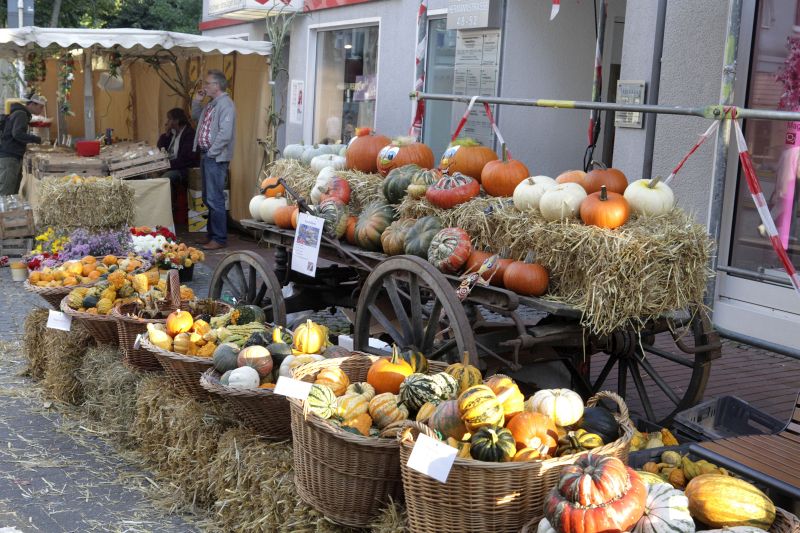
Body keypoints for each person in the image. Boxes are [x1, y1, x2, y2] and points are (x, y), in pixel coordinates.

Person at [192, 69, 236, 250]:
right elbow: (196, 117)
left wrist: (212, 152)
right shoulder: (212, 104)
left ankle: (219, 238)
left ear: (217, 85)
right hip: (207, 155)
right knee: (208, 197)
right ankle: (212, 235)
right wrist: (197, 100)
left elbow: (225, 134)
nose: (204, 86)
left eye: (207, 83)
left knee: (215, 198)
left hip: (215, 158)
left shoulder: (226, 105)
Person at [157, 108, 198, 222]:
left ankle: (167, 211)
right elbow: (160, 148)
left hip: (184, 168)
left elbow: (185, 159)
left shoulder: (189, 134)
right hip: (172, 165)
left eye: (169, 119)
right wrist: (166, 134)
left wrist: (166, 166)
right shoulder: (173, 134)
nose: (167, 122)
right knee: (152, 176)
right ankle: (158, 209)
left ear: (177, 120)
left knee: (166, 178)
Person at [0, 95, 45, 196]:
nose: (41, 110)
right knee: (6, 193)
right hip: (9, 158)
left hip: (11, 157)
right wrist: (37, 139)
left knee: (12, 193)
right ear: (32, 104)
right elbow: (17, 134)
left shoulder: (19, 112)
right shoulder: (21, 114)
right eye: (41, 107)